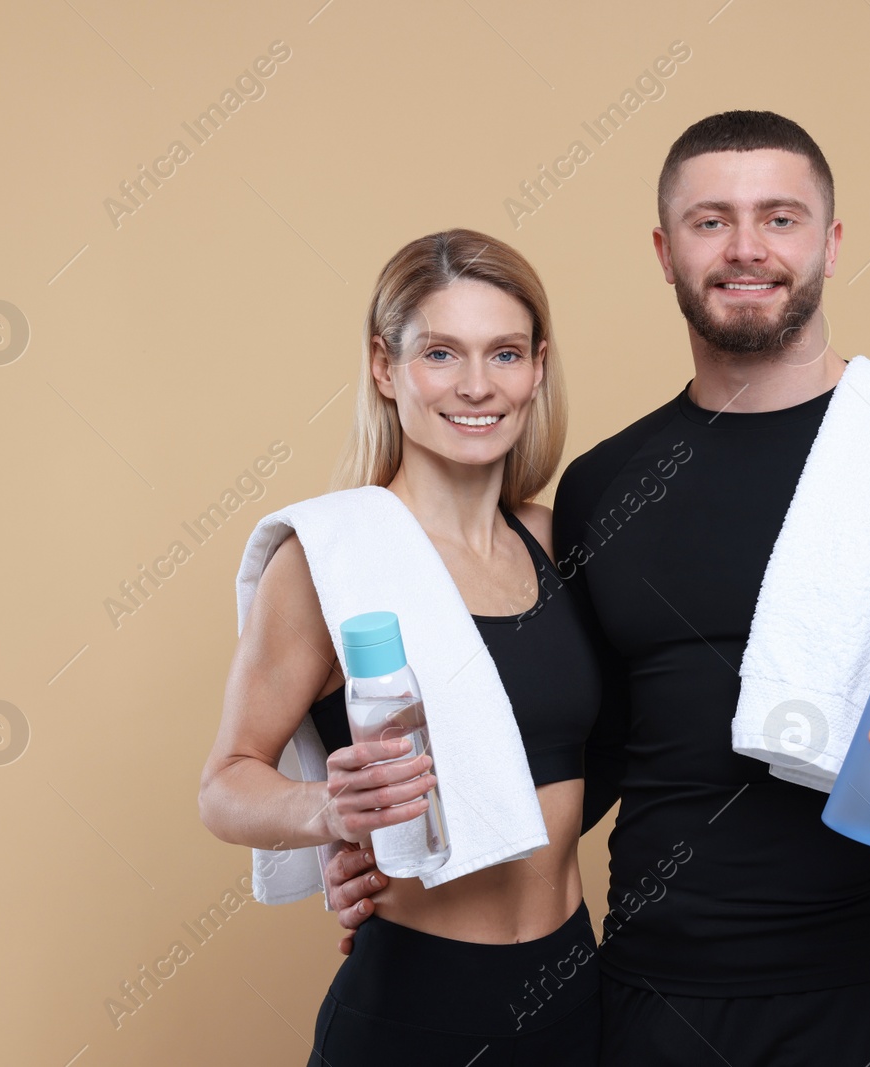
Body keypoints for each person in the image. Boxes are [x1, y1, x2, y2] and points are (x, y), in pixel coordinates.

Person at [330, 112, 870, 1066]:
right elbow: (582, 748)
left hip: (863, 998)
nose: (746, 249)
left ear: (832, 242)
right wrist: (402, 856)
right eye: (710, 221)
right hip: (651, 1002)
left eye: (780, 218)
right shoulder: (604, 488)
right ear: (665, 249)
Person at [198, 228, 611, 1065]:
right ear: (386, 368)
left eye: (503, 353)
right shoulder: (330, 557)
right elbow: (225, 783)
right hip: (413, 1011)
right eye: (440, 354)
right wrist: (331, 815)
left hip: (575, 993)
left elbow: (574, 759)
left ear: (537, 368)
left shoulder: (556, 541)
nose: (475, 385)